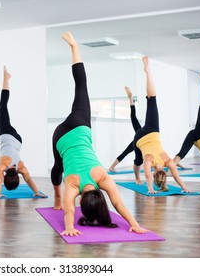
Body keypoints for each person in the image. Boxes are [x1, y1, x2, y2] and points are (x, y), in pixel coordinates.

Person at [50, 31, 148, 236]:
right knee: (58, 166)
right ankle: (56, 196)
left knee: (81, 86)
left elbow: (118, 204)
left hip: (79, 126)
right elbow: (69, 210)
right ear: (82, 204)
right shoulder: (73, 184)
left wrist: (135, 223)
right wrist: (69, 227)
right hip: (59, 137)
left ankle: (74, 46)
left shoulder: (102, 177)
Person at [132, 56, 190, 194]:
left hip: (152, 131)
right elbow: (147, 175)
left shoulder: (167, 160)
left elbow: (176, 175)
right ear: (154, 174)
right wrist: (150, 189)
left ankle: (148, 72)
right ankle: (136, 177)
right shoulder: (149, 161)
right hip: (139, 138)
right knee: (137, 160)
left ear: (164, 172)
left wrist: (185, 188)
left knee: (152, 100)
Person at [0, 66, 47, 199]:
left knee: (3, 106)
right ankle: (6, 78)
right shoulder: (3, 165)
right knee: (3, 105)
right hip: (7, 134)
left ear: (17, 176)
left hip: (18, 141)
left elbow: (29, 179)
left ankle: (6, 78)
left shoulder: (21, 167)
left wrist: (37, 192)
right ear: (7, 177)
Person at [109, 87, 141, 172]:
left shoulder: (141, 131)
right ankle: (130, 98)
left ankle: (112, 167)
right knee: (141, 156)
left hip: (137, 138)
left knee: (126, 152)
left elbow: (133, 116)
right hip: (140, 140)